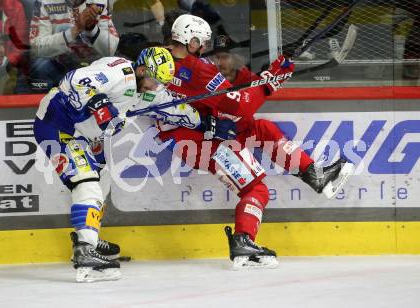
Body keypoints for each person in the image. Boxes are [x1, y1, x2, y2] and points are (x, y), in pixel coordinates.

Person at [158, 14, 354, 268]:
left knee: (260, 128)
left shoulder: (158, 58)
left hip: (191, 137)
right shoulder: (198, 68)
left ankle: (312, 174)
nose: (204, 49)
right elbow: (239, 106)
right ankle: (243, 241)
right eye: (202, 43)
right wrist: (269, 85)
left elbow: (221, 97)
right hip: (206, 144)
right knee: (256, 189)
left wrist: (264, 79)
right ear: (191, 39)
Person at [33, 46, 213, 282]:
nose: (156, 87)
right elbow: (73, 80)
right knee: (86, 184)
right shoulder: (119, 72)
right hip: (57, 127)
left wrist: (205, 122)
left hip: (86, 137)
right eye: (154, 81)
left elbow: (172, 107)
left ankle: (91, 239)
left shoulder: (150, 90)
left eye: (161, 83)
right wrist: (98, 104)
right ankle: (85, 251)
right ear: (140, 69)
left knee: (103, 182)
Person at [29, 0, 119, 91]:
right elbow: (36, 48)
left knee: (121, 66)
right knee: (40, 66)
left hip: (93, 67)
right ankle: (46, 101)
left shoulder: (101, 2)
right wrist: (74, 31)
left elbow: (110, 50)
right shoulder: (44, 2)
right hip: (59, 64)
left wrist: (92, 28)